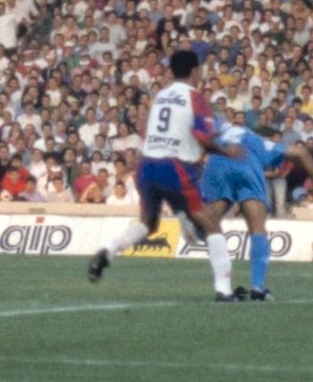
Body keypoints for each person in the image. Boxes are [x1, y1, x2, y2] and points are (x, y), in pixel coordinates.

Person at [87, 47, 238, 286]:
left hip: (146, 166)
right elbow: (203, 137)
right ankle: (224, 289)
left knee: (149, 223)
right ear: (195, 71)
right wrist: (227, 152)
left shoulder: (162, 96)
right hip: (174, 166)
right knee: (210, 222)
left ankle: (109, 248)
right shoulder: (195, 97)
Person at [201, 113, 313, 301]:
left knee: (210, 225)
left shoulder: (219, 129)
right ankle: (257, 287)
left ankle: (223, 287)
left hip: (217, 164)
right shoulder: (258, 141)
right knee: (258, 228)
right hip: (247, 166)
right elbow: (301, 153)